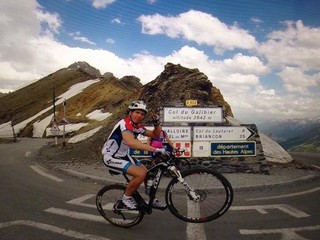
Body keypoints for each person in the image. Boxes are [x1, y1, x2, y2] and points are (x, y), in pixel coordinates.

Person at [102, 100, 166, 210]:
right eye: (137, 112)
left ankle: (152, 199)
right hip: (110, 157)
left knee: (146, 171)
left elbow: (155, 135)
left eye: (142, 114)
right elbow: (131, 142)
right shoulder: (125, 124)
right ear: (130, 113)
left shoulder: (136, 126)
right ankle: (126, 198)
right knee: (140, 174)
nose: (139, 116)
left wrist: (157, 123)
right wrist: (155, 149)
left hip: (123, 155)